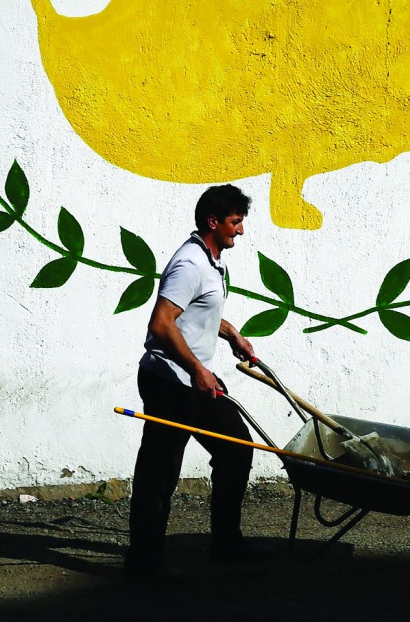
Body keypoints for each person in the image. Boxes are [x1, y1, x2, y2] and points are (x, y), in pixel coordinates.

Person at [125, 184, 259, 581]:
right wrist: (198, 369)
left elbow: (198, 312)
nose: (240, 230)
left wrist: (231, 334)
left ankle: (226, 544)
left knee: (236, 450)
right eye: (235, 222)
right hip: (169, 380)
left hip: (193, 378)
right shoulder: (189, 264)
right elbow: (161, 323)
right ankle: (143, 565)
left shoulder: (212, 261)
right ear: (213, 222)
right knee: (159, 471)